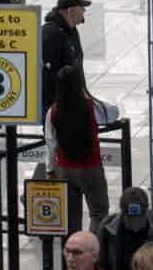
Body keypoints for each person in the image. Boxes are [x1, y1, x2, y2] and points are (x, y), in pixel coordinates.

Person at [45, 65, 118, 234]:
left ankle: (72, 252)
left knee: (70, 217)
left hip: (65, 169)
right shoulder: (92, 107)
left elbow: (51, 143)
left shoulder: (53, 111)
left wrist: (50, 169)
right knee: (98, 213)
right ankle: (92, 250)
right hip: (90, 168)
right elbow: (114, 112)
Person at [42, 0, 90, 113]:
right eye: (81, 7)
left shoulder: (72, 32)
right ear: (70, 10)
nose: (84, 11)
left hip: (71, 100)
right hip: (56, 105)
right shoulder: (51, 33)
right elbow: (48, 71)